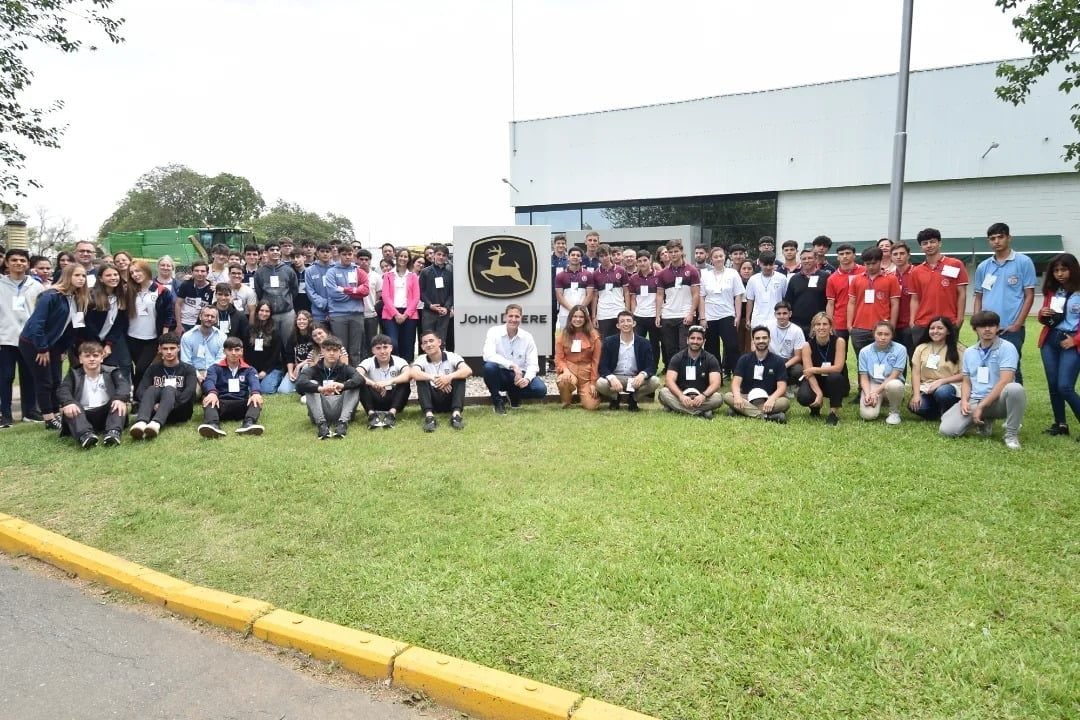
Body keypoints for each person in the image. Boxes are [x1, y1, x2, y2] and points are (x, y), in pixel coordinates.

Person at [939, 310, 1026, 449]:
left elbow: (1005, 380)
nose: (987, 329)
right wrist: (964, 401)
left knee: (1015, 388)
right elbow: (967, 381)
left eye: (991, 325)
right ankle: (984, 421)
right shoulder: (970, 352)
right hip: (976, 399)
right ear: (975, 329)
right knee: (947, 430)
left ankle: (1011, 434)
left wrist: (981, 406)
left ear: (997, 328)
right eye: (982, 326)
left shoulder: (1007, 348)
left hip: (999, 401)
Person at [18, 264, 90, 430]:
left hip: (55, 344)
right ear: (67, 276)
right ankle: (48, 418)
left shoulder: (78, 298)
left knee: (57, 379)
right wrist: (42, 349)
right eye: (77, 275)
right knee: (45, 380)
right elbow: (37, 324)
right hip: (33, 343)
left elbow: (73, 328)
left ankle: (57, 413)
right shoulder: (50, 296)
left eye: (83, 276)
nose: (81, 279)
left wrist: (63, 348)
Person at [973, 222, 1036, 384]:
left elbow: (1029, 296)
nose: (996, 241)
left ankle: (1015, 406)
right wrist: (977, 323)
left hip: (1011, 327)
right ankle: (991, 404)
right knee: (986, 366)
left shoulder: (1024, 262)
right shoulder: (983, 267)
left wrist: (1018, 324)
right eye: (992, 238)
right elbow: (978, 296)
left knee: (1012, 367)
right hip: (987, 326)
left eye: (1000, 237)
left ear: (1009, 238)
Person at [1036, 252, 1080, 436]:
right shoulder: (1054, 291)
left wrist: (1075, 340)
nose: (1059, 274)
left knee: (1065, 386)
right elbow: (1046, 319)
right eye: (1056, 270)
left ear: (1073, 269)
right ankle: (1060, 424)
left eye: (1064, 269)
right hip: (1050, 339)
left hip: (1071, 341)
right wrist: (1042, 313)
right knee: (1053, 385)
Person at [1, 248, 45, 425]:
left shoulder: (36, 286)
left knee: (29, 376)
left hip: (29, 340)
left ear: (28, 264)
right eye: (14, 260)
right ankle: (4, 414)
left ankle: (30, 411)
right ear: (7, 263)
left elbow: (42, 314)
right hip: (5, 338)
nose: (18, 263)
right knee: (5, 377)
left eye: (22, 260)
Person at [56, 341, 129, 447]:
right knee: (73, 405)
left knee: (118, 403)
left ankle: (113, 433)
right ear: (80, 359)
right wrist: (68, 402)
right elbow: (63, 390)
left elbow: (124, 386)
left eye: (95, 355)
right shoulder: (73, 374)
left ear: (102, 358)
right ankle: (85, 435)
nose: (92, 359)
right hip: (83, 415)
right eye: (87, 356)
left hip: (106, 413)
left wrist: (120, 398)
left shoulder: (113, 371)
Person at [129, 332, 197, 440]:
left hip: (178, 411)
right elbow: (140, 391)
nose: (169, 352)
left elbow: (189, 392)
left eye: (172, 348)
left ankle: (156, 424)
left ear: (178, 348)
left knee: (169, 389)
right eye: (165, 349)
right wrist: (155, 404)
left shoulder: (188, 369)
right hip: (154, 410)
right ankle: (141, 423)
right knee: (152, 388)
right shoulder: (153, 369)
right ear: (160, 349)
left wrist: (167, 405)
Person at [482, 303, 546, 413]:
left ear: (521, 318)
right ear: (505, 317)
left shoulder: (527, 337)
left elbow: (533, 364)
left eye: (517, 316)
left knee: (540, 389)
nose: (513, 319)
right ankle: (497, 401)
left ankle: (513, 394)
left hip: (520, 376)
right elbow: (488, 355)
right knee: (489, 367)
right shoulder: (494, 332)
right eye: (510, 316)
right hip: (501, 375)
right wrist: (512, 365)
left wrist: (527, 379)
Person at [909, 228, 968, 348]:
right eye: (925, 243)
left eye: (932, 242)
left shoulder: (955, 264)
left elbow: (961, 293)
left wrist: (960, 318)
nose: (929, 245)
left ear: (939, 243)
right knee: (922, 361)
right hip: (923, 323)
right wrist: (912, 321)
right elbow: (915, 298)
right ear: (921, 247)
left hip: (948, 322)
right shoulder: (916, 271)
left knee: (948, 361)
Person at [295, 335, 361, 439]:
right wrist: (320, 388)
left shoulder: (346, 368)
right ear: (322, 350)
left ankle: (342, 423)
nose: (331, 353)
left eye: (335, 350)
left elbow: (360, 379)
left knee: (354, 384)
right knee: (310, 384)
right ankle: (322, 425)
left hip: (341, 409)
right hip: (321, 409)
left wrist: (343, 385)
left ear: (340, 352)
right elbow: (299, 383)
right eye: (328, 350)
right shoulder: (314, 369)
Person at [197, 336, 265, 437]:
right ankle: (213, 425)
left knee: (256, 399)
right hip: (221, 404)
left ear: (242, 351)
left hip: (242, 404)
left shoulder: (249, 370)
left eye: (237, 350)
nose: (233, 353)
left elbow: (255, 382)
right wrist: (212, 393)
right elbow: (209, 381)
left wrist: (255, 393)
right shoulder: (215, 368)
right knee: (209, 400)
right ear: (224, 351)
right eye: (230, 350)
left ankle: (249, 424)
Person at [126, 260, 176, 391]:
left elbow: (168, 314)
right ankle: (140, 393)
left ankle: (138, 395)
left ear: (146, 270)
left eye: (138, 271)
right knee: (132, 366)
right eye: (132, 272)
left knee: (142, 368)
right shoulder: (129, 290)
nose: (135, 275)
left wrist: (164, 337)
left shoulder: (161, 291)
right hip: (131, 337)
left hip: (152, 338)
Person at [596, 311, 660, 411]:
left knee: (655, 381)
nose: (626, 324)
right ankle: (615, 398)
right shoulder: (609, 342)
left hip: (635, 378)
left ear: (634, 323)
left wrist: (642, 375)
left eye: (628, 321)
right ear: (618, 325)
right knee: (600, 383)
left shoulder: (644, 343)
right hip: (616, 378)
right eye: (622, 321)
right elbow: (602, 366)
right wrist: (612, 378)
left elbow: (651, 366)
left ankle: (633, 399)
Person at [724, 325, 790, 422]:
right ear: (753, 341)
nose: (761, 341)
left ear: (769, 339)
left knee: (785, 402)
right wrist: (738, 396)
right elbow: (736, 383)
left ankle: (741, 411)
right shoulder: (744, 359)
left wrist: (772, 399)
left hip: (768, 398)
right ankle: (766, 416)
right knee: (728, 396)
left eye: (764, 338)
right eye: (757, 338)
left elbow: (782, 387)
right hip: (747, 397)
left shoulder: (778, 361)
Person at [698, 246, 743, 381]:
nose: (718, 259)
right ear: (711, 259)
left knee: (732, 346)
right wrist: (702, 317)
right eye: (715, 257)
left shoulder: (733, 273)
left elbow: (738, 296)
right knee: (712, 348)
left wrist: (738, 316)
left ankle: (738, 376)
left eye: (721, 256)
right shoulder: (705, 275)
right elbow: (701, 297)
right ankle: (715, 377)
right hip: (710, 317)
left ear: (725, 257)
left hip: (727, 314)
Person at [80, 263, 131, 381]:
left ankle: (123, 394)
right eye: (108, 275)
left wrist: (109, 344)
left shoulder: (121, 296)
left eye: (115, 274)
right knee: (95, 366)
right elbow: (87, 325)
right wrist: (98, 345)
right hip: (91, 338)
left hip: (111, 337)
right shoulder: (91, 296)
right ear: (101, 279)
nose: (113, 277)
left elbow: (120, 323)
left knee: (125, 363)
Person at [659, 325, 723, 418]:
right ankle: (700, 411)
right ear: (687, 340)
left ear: (703, 341)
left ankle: (676, 408)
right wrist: (681, 396)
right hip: (681, 395)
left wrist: (703, 396)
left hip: (702, 397)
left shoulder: (710, 359)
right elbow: (669, 381)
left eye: (699, 339)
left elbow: (716, 383)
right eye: (692, 338)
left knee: (718, 398)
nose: (695, 341)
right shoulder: (677, 357)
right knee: (663, 392)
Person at [847, 247, 900, 358]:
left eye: (874, 263)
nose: (870, 267)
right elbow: (851, 302)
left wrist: (892, 325)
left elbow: (895, 303)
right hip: (859, 328)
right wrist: (849, 325)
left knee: (883, 361)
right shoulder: (856, 279)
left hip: (882, 327)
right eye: (867, 264)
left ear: (880, 261)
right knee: (862, 362)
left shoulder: (891, 279)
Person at [796, 311, 849, 424]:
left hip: (835, 380)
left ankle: (833, 413)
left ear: (830, 327)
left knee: (835, 377)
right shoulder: (807, 346)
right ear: (813, 328)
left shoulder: (839, 341)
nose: (821, 327)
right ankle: (815, 407)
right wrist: (819, 393)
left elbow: (838, 368)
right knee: (803, 396)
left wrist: (815, 369)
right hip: (816, 380)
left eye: (825, 324)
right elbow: (808, 374)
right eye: (818, 324)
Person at [412, 330, 471, 431]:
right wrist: (434, 378)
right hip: (432, 400)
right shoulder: (421, 359)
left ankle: (456, 416)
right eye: (425, 342)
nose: (429, 344)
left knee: (460, 377)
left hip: (449, 397)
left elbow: (467, 370)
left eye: (431, 341)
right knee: (421, 379)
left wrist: (448, 377)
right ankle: (429, 417)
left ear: (439, 342)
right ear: (422, 347)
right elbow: (413, 373)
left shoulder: (452, 356)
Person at [654, 241, 701, 366]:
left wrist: (691, 313)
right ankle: (673, 376)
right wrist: (658, 315)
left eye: (676, 251)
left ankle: (686, 376)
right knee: (670, 349)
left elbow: (696, 294)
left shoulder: (692, 270)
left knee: (684, 347)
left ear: (681, 251)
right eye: (670, 252)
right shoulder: (662, 273)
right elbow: (659, 295)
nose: (673, 254)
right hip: (668, 315)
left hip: (685, 315)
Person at [908, 316, 964, 421]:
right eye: (932, 328)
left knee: (943, 392)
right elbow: (915, 373)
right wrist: (916, 395)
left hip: (950, 387)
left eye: (940, 328)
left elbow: (965, 374)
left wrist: (942, 381)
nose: (935, 331)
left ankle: (948, 412)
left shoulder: (959, 349)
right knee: (917, 407)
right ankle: (940, 412)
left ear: (948, 331)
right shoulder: (921, 348)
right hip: (927, 387)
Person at [323, 244, 369, 364]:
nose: (347, 257)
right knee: (341, 349)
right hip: (338, 315)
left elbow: (365, 291)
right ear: (338, 255)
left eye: (350, 254)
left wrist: (344, 290)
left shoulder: (359, 271)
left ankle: (356, 378)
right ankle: (343, 377)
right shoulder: (331, 272)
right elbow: (333, 293)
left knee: (355, 350)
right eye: (344, 254)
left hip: (356, 314)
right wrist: (355, 293)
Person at [357, 333, 411, 429]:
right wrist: (374, 384)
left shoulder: (399, 361)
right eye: (378, 348)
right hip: (375, 398)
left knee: (405, 383)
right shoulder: (368, 361)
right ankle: (372, 415)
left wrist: (388, 382)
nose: (382, 351)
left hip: (394, 399)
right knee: (361, 383)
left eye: (385, 347)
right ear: (373, 350)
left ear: (391, 348)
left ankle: (391, 414)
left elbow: (409, 374)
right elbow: (356, 374)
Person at [856, 321, 907, 424]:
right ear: (874, 334)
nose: (883, 337)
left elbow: (894, 375)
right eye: (879, 334)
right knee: (868, 415)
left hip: (891, 382)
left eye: (887, 334)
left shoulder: (900, 349)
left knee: (895, 385)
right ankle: (879, 401)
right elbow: (864, 377)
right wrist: (867, 394)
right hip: (873, 384)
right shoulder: (864, 352)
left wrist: (876, 392)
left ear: (892, 335)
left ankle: (894, 412)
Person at [554, 305, 601, 410]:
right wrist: (565, 371)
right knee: (563, 381)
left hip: (587, 373)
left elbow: (596, 361)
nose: (578, 319)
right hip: (570, 370)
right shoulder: (562, 335)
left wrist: (593, 382)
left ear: (585, 319)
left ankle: (584, 395)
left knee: (591, 406)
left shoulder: (594, 336)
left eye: (581, 317)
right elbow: (559, 358)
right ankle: (566, 400)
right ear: (570, 318)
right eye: (575, 316)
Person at [254, 241, 300, 342]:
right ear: (266, 252)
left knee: (288, 343)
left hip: (287, 313)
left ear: (280, 252)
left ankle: (288, 359)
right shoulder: (260, 272)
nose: (275, 252)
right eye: (272, 250)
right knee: (270, 343)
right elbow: (259, 292)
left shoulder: (289, 271)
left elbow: (294, 290)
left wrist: (286, 301)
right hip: (269, 315)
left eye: (277, 250)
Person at [380, 247, 420, 362]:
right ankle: (395, 366)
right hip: (391, 314)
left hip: (409, 314)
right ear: (397, 257)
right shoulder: (388, 275)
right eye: (401, 256)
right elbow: (385, 296)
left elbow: (416, 297)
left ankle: (406, 371)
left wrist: (406, 314)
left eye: (405, 256)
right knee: (393, 343)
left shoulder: (413, 276)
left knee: (407, 344)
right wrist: (396, 314)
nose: (403, 258)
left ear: (409, 259)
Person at [783, 248, 829, 338]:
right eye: (804, 259)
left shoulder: (825, 277)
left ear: (816, 259)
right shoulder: (794, 279)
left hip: (819, 323)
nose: (806, 261)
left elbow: (829, 300)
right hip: (797, 324)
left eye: (809, 258)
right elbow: (788, 301)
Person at [824, 243, 864, 346]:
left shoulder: (864, 272)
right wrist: (830, 323)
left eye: (848, 253)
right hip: (840, 321)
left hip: (861, 319)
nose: (845, 256)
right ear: (838, 257)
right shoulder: (832, 278)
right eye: (841, 254)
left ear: (854, 255)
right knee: (839, 353)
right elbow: (830, 303)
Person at [590, 244, 629, 339]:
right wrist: (594, 316)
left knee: (621, 340)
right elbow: (594, 296)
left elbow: (626, 292)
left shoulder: (621, 270)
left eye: (606, 255)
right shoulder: (595, 274)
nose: (604, 258)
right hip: (603, 313)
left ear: (610, 255)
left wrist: (627, 310)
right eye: (601, 256)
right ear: (598, 258)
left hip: (619, 310)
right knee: (605, 342)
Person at [180, 306, 226, 387]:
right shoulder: (187, 336)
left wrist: (209, 373)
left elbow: (221, 359)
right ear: (200, 316)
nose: (209, 318)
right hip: (193, 372)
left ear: (216, 319)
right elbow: (185, 361)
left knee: (220, 392)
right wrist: (198, 375)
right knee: (196, 393)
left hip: (215, 372)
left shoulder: (222, 337)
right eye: (206, 315)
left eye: (212, 316)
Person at [244, 301, 284, 394]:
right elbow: (246, 352)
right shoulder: (249, 329)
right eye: (261, 310)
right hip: (252, 367)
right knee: (248, 390)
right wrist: (251, 370)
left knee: (266, 390)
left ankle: (278, 378)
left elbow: (275, 355)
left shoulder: (275, 331)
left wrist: (265, 371)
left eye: (267, 311)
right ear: (257, 311)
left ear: (270, 314)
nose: (264, 313)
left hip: (271, 368)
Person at [419, 243, 454, 346]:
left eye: (444, 255)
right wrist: (429, 305)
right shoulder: (425, 272)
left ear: (447, 257)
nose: (441, 257)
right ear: (433, 255)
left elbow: (452, 293)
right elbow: (421, 292)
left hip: (444, 312)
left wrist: (447, 308)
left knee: (441, 340)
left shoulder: (450, 272)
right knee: (428, 339)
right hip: (428, 311)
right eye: (439, 254)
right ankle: (429, 361)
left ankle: (441, 361)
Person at [744, 252, 788, 330]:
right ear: (760, 263)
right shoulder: (753, 279)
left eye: (770, 264)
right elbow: (750, 300)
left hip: (776, 319)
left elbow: (785, 299)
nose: (768, 267)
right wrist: (748, 319)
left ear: (774, 263)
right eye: (765, 265)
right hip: (758, 319)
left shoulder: (782, 278)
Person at [767, 301, 806, 386]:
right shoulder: (767, 326)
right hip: (771, 359)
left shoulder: (797, 330)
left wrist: (783, 366)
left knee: (799, 370)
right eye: (779, 313)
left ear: (790, 314)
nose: (781, 316)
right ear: (775, 314)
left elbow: (798, 356)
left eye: (785, 313)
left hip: (789, 361)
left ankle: (791, 385)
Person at [554, 247, 592, 332]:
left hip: (583, 312)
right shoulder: (560, 275)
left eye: (578, 255)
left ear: (581, 259)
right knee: (566, 339)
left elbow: (589, 295)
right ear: (568, 257)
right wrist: (572, 310)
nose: (575, 257)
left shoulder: (588, 274)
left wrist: (580, 309)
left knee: (584, 339)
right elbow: (559, 296)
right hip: (565, 313)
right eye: (573, 255)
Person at [279, 311, 317, 395]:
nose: (301, 321)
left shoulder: (314, 335)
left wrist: (300, 365)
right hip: (296, 368)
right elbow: (289, 356)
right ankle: (299, 385)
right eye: (299, 319)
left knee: (305, 367)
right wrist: (290, 372)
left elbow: (316, 355)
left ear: (309, 321)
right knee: (283, 390)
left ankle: (306, 385)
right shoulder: (293, 336)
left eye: (304, 319)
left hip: (310, 366)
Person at [890, 242, 917, 354]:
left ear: (908, 255)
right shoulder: (889, 276)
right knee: (896, 360)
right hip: (893, 325)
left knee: (914, 358)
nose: (898, 257)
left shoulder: (917, 272)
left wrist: (914, 322)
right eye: (895, 254)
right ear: (891, 257)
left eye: (902, 253)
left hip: (912, 324)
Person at [174, 260, 214, 332]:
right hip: (184, 323)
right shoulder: (186, 284)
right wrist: (179, 325)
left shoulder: (211, 288)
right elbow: (178, 304)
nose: (199, 273)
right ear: (192, 272)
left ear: (207, 273)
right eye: (196, 271)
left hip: (202, 324)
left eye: (202, 271)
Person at [356, 248, 382, 358]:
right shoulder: (352, 274)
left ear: (370, 260)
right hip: (356, 313)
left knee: (371, 341)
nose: (364, 262)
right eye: (361, 259)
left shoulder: (376, 276)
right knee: (359, 342)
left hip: (371, 314)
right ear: (356, 260)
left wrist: (374, 306)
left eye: (366, 259)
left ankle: (372, 363)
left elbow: (379, 294)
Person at [304, 242, 335, 326]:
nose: (325, 254)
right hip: (318, 314)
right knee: (319, 337)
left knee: (336, 339)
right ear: (317, 253)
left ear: (331, 253)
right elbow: (310, 291)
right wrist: (324, 304)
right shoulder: (309, 271)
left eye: (327, 251)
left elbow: (340, 290)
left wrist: (332, 306)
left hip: (336, 312)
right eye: (322, 251)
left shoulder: (337, 269)